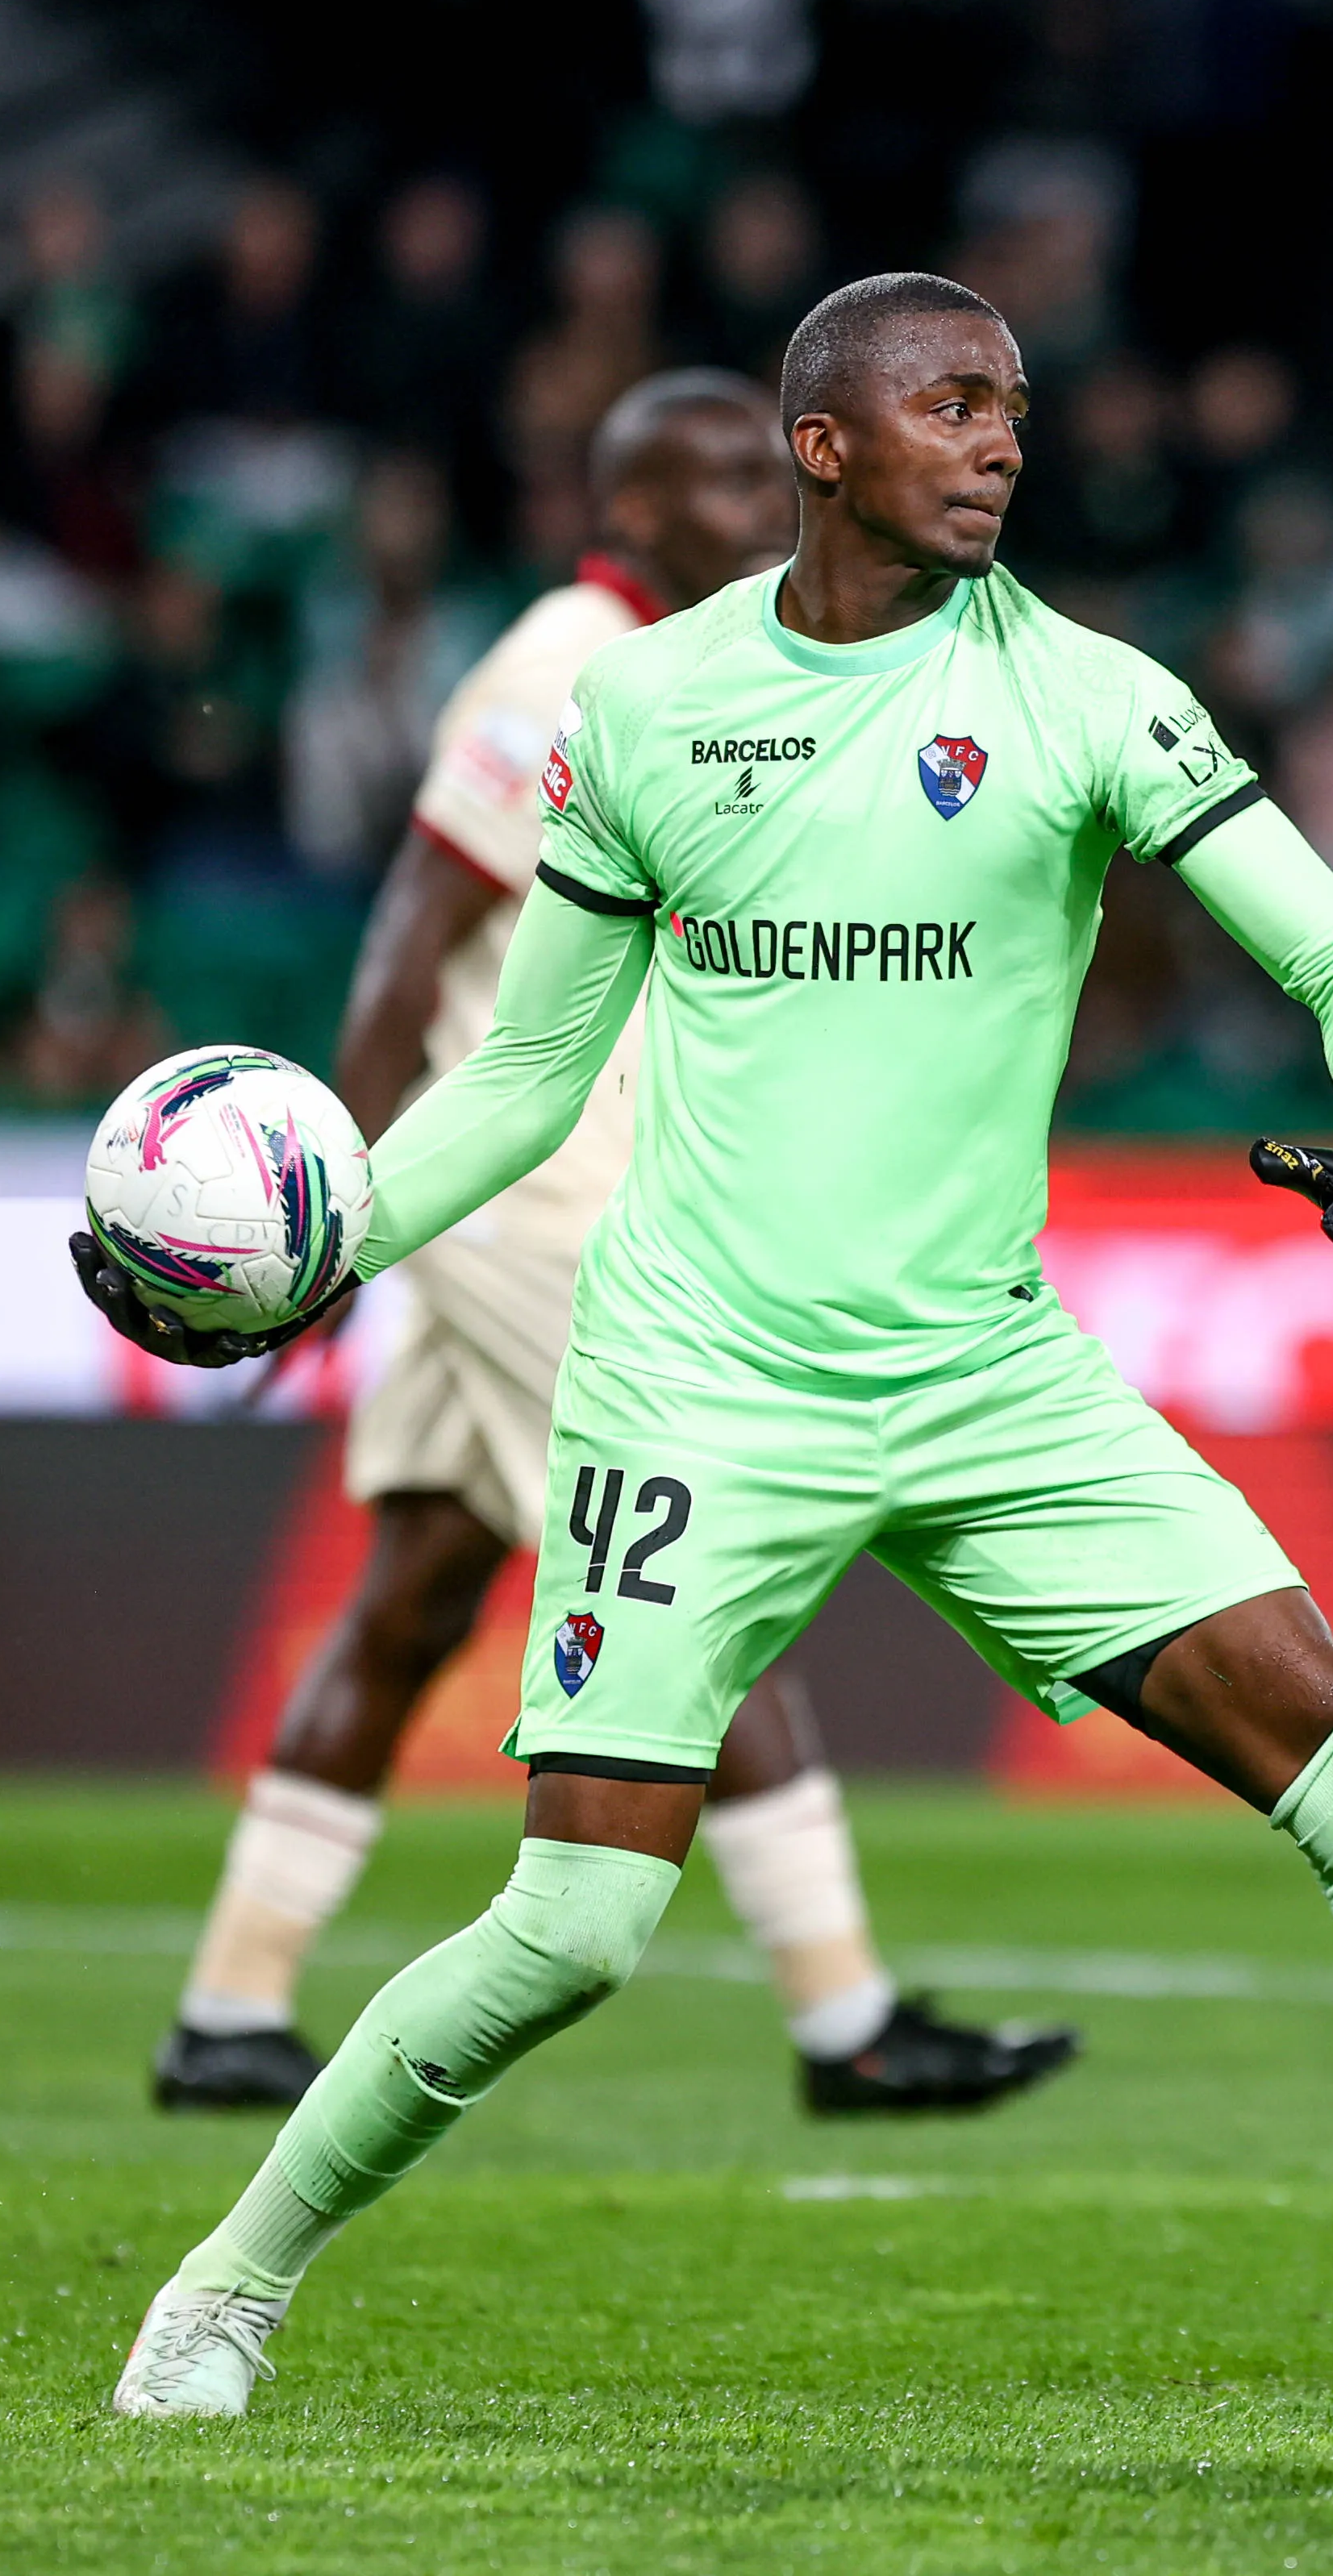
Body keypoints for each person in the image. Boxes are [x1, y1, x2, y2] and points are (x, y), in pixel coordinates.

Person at [79, 272, 1333, 2432]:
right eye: (951, 405)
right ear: (823, 448)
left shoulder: (1097, 699)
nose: (1003, 438)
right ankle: (226, 2287)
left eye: (1013, 405)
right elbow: (528, 1084)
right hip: (697, 1387)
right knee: (573, 1932)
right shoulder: (641, 708)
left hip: (989, 1381)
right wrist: (324, 1234)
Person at [150, 365, 1076, 2123]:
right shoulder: (556, 666)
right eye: (715, 480)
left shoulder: (710, 674)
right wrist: (331, 1225)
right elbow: (406, 946)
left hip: (564, 1186)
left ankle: (227, 2009)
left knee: (421, 1589)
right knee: (710, 1548)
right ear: (627, 509)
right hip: (537, 1194)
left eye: (760, 472)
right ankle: (846, 2019)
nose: (753, 504)